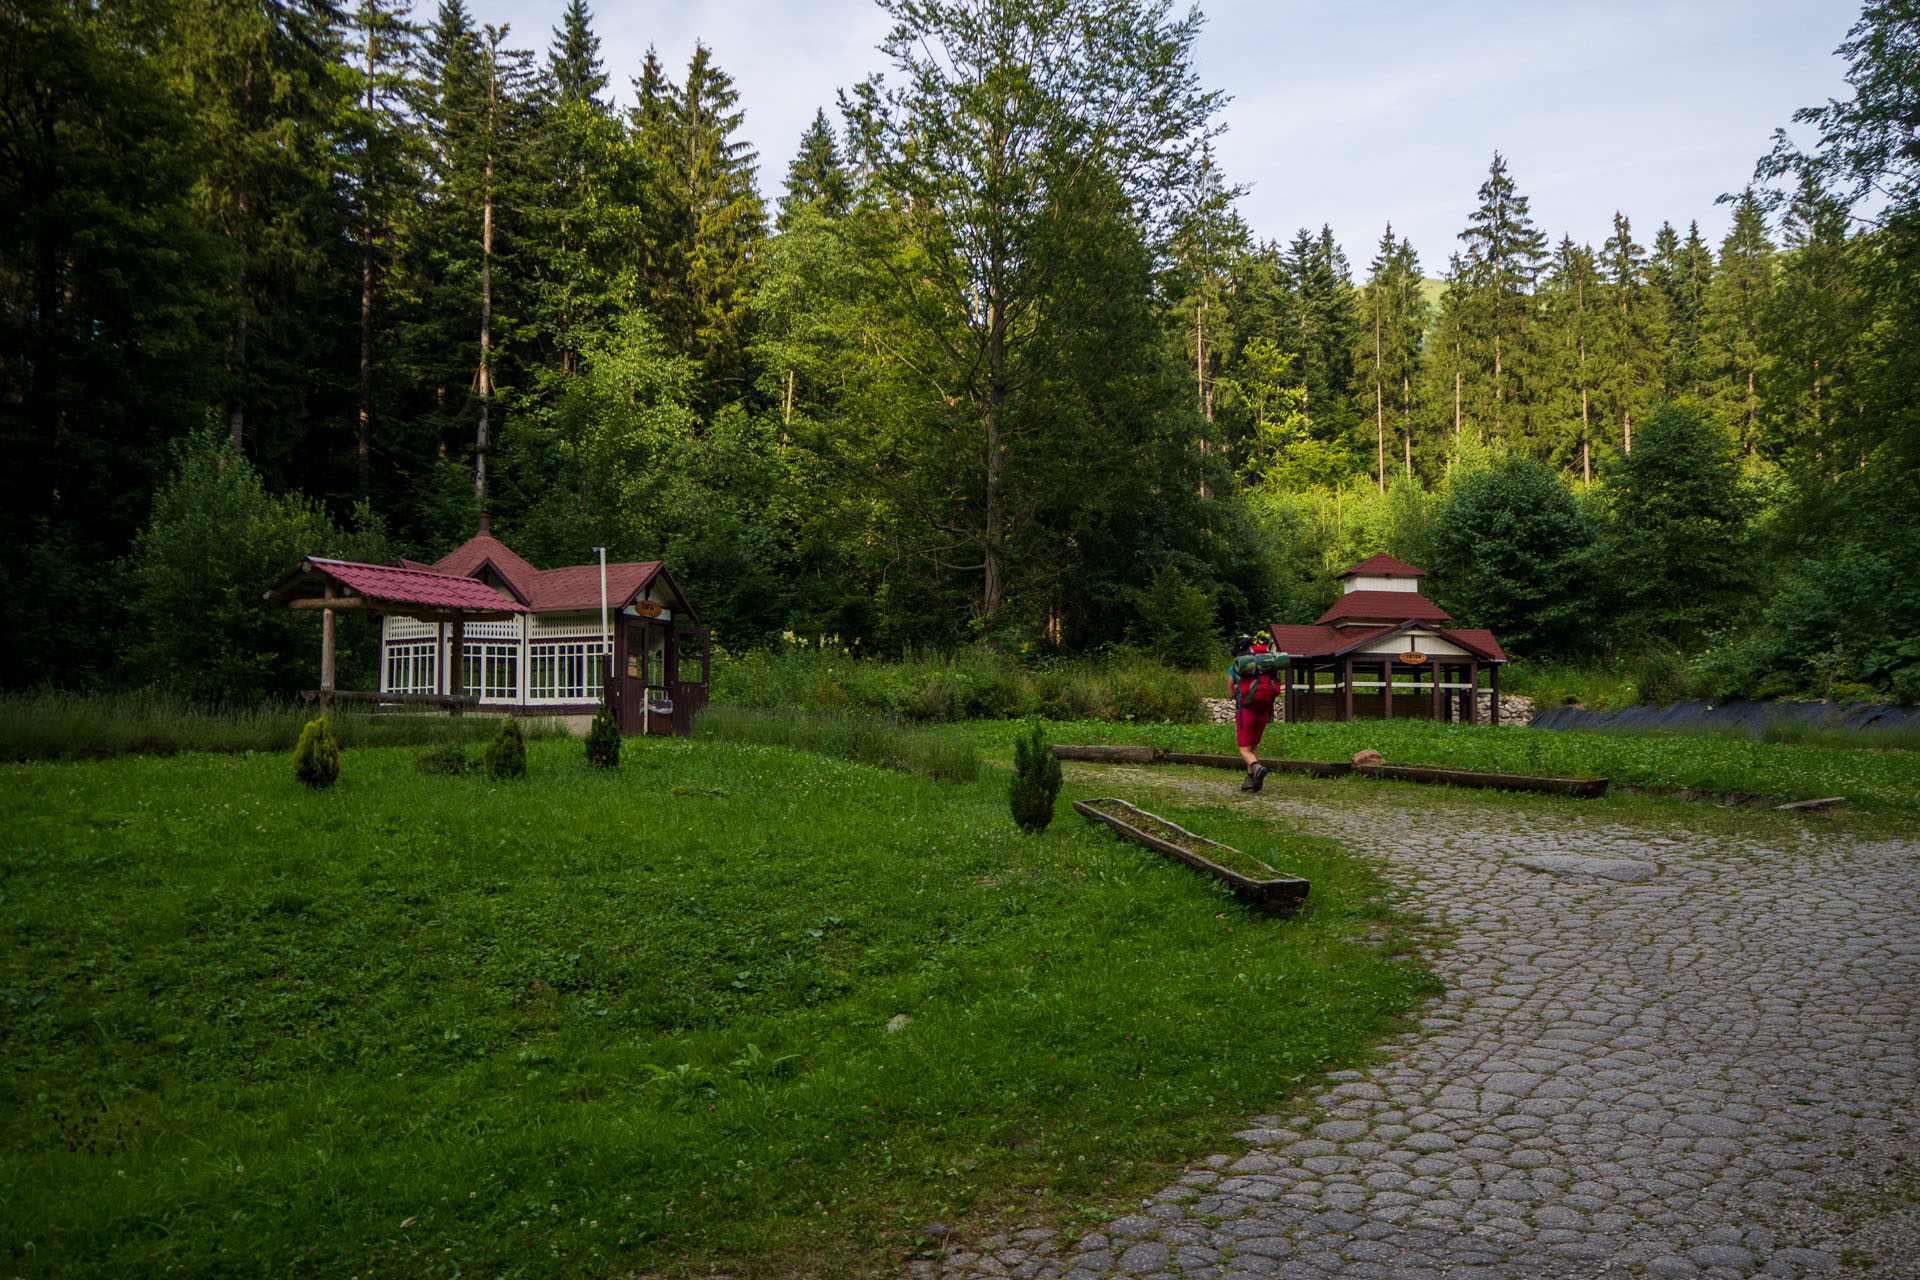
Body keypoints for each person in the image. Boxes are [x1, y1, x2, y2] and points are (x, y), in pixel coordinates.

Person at [1229, 632, 1280, 792]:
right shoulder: (1265, 665)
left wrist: (1235, 689)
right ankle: (1251, 780)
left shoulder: (1237, 666)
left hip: (1245, 709)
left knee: (1244, 749)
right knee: (1254, 746)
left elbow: (1230, 694)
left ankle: (1256, 768)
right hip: (1264, 709)